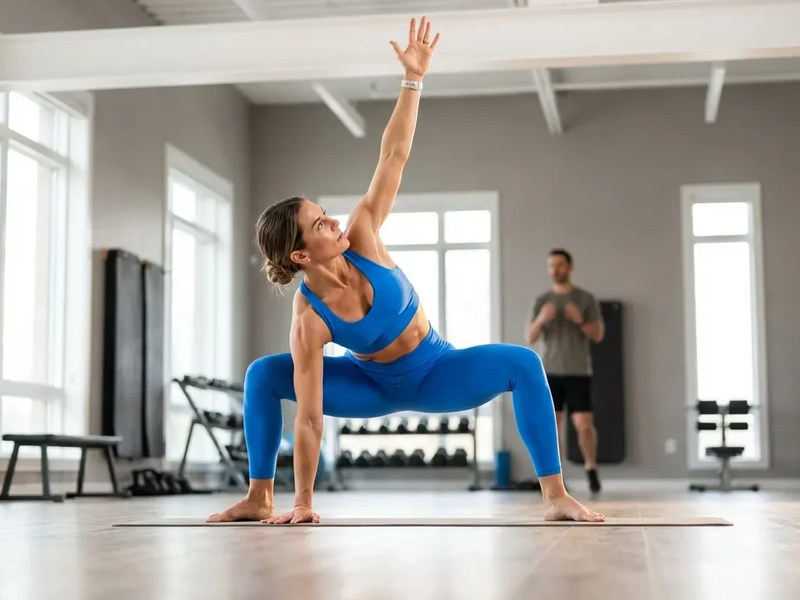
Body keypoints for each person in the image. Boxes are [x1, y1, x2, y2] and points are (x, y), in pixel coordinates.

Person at [207, 16, 605, 525]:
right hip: (369, 388)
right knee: (263, 374)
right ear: (301, 256)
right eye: (319, 224)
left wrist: (413, 79)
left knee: (523, 363)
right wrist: (304, 504)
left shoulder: (364, 233)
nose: (332, 220)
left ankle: (555, 497)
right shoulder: (310, 318)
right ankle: (261, 496)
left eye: (324, 213)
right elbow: (307, 419)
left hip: (437, 371)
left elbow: (393, 154)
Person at [525, 249, 605, 494]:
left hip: (578, 371)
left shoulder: (585, 298)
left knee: (583, 426)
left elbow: (598, 334)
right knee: (553, 427)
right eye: (551, 265)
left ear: (569, 267)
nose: (555, 270)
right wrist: (541, 319)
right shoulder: (542, 300)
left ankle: (591, 468)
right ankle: (557, 479)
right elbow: (529, 337)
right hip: (550, 371)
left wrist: (580, 320)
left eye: (559, 265)